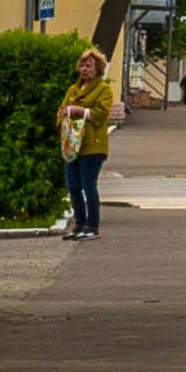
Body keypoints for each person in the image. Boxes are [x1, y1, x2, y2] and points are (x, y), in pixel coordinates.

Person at [60, 47, 124, 236]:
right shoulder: (73, 89)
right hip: (72, 145)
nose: (84, 69)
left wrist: (79, 111)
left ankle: (92, 226)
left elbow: (102, 113)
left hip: (92, 145)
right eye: (82, 65)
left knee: (88, 185)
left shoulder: (103, 89)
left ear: (98, 69)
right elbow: (62, 110)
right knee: (72, 186)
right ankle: (79, 224)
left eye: (89, 65)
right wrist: (62, 119)